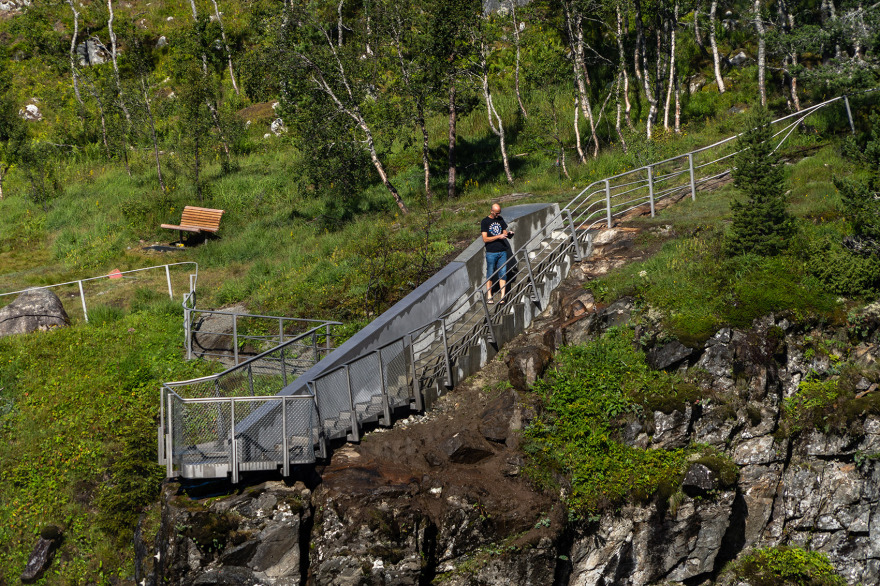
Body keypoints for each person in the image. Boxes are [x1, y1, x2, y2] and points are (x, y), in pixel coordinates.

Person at [481, 203, 512, 304]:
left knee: (503, 273)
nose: (498, 215)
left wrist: (509, 234)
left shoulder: (500, 219)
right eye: (496, 213)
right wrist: (498, 236)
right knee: (490, 273)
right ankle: (489, 295)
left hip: (502, 251)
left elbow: (504, 233)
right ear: (491, 211)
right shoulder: (485, 222)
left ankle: (503, 296)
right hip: (491, 252)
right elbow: (485, 238)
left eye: (499, 213)